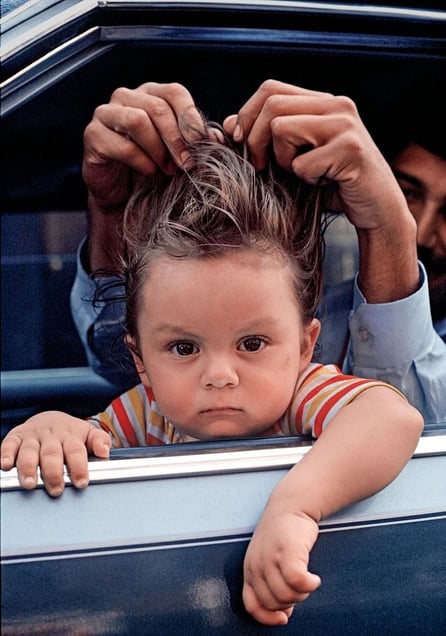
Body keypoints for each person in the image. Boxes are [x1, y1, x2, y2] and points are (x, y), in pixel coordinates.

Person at [1, 132, 423, 627]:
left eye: (252, 344)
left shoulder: (300, 393)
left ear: (305, 346)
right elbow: (87, 440)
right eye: (183, 348)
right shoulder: (147, 412)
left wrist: (295, 508)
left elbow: (392, 418)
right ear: (141, 362)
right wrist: (52, 428)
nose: (220, 376)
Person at [70, 80, 446, 427]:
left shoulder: (298, 329)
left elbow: (395, 429)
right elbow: (137, 370)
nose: (423, 233)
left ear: (306, 346)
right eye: (407, 193)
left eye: (252, 344)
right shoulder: (296, 306)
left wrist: (392, 230)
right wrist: (110, 214)